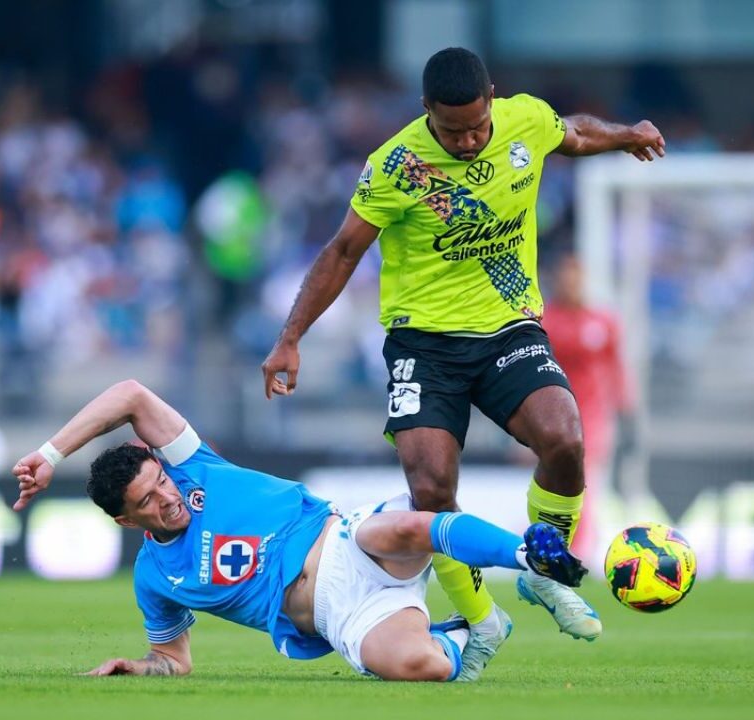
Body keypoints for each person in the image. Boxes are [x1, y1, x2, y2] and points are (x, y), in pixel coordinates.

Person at [261, 47, 665, 678]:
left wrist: (627, 134)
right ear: (426, 112)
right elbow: (342, 252)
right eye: (453, 132)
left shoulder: (523, 119)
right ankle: (483, 619)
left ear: (493, 99)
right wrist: (291, 338)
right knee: (431, 493)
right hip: (424, 345)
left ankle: (544, 570)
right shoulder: (395, 165)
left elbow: (577, 132)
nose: (470, 140)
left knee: (565, 439)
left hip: (507, 331)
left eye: (477, 126)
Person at [10, 379, 586, 682]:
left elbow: (130, 395)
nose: (169, 498)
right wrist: (137, 667)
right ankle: (469, 631)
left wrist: (50, 452)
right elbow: (175, 660)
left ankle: (530, 557)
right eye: (149, 501)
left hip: (344, 541)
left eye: (162, 482)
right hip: (341, 618)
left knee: (403, 528)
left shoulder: (196, 466)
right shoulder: (156, 578)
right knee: (422, 668)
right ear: (124, 520)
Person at [542, 254, 633, 558]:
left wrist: (626, 409)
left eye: (576, 278)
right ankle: (551, 545)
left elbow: (616, 367)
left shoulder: (602, 321)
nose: (571, 285)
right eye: (565, 278)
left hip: (592, 416)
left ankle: (575, 551)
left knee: (580, 479)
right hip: (551, 414)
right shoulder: (546, 321)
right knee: (555, 482)